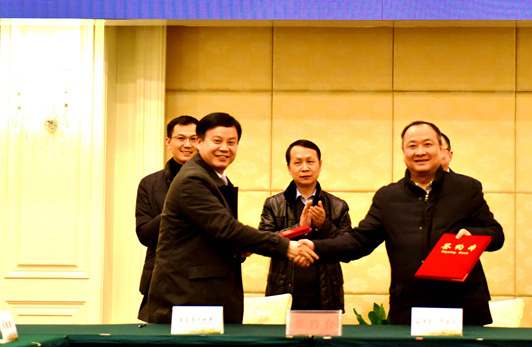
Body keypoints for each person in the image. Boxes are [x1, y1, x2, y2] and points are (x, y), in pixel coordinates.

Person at [303, 121, 504, 325]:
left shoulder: (466, 189)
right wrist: (315, 247)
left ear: (440, 149)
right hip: (409, 308)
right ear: (403, 152)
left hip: (462, 307)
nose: (420, 152)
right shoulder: (388, 197)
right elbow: (359, 241)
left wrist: (473, 234)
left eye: (427, 144)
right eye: (412, 146)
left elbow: (496, 234)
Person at [146, 112, 316, 324]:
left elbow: (216, 232)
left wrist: (238, 246)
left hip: (204, 294)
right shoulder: (193, 179)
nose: (224, 148)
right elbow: (226, 229)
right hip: (189, 298)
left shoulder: (213, 177)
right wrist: (286, 247)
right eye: (217, 141)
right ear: (199, 142)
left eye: (231, 142)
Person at [259, 139, 352, 310]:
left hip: (326, 294)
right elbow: (264, 243)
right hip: (282, 292)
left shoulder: (338, 206)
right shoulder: (273, 204)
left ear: (320, 165)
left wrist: (325, 225)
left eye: (310, 162)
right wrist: (298, 228)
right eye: (298, 163)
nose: (304, 168)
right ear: (289, 168)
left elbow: (349, 249)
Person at [135, 115, 199, 322]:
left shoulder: (215, 182)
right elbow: (145, 235)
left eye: (193, 139)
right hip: (159, 280)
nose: (187, 145)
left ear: (201, 143)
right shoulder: (149, 184)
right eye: (181, 138)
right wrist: (174, 210)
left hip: (202, 280)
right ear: (168, 142)